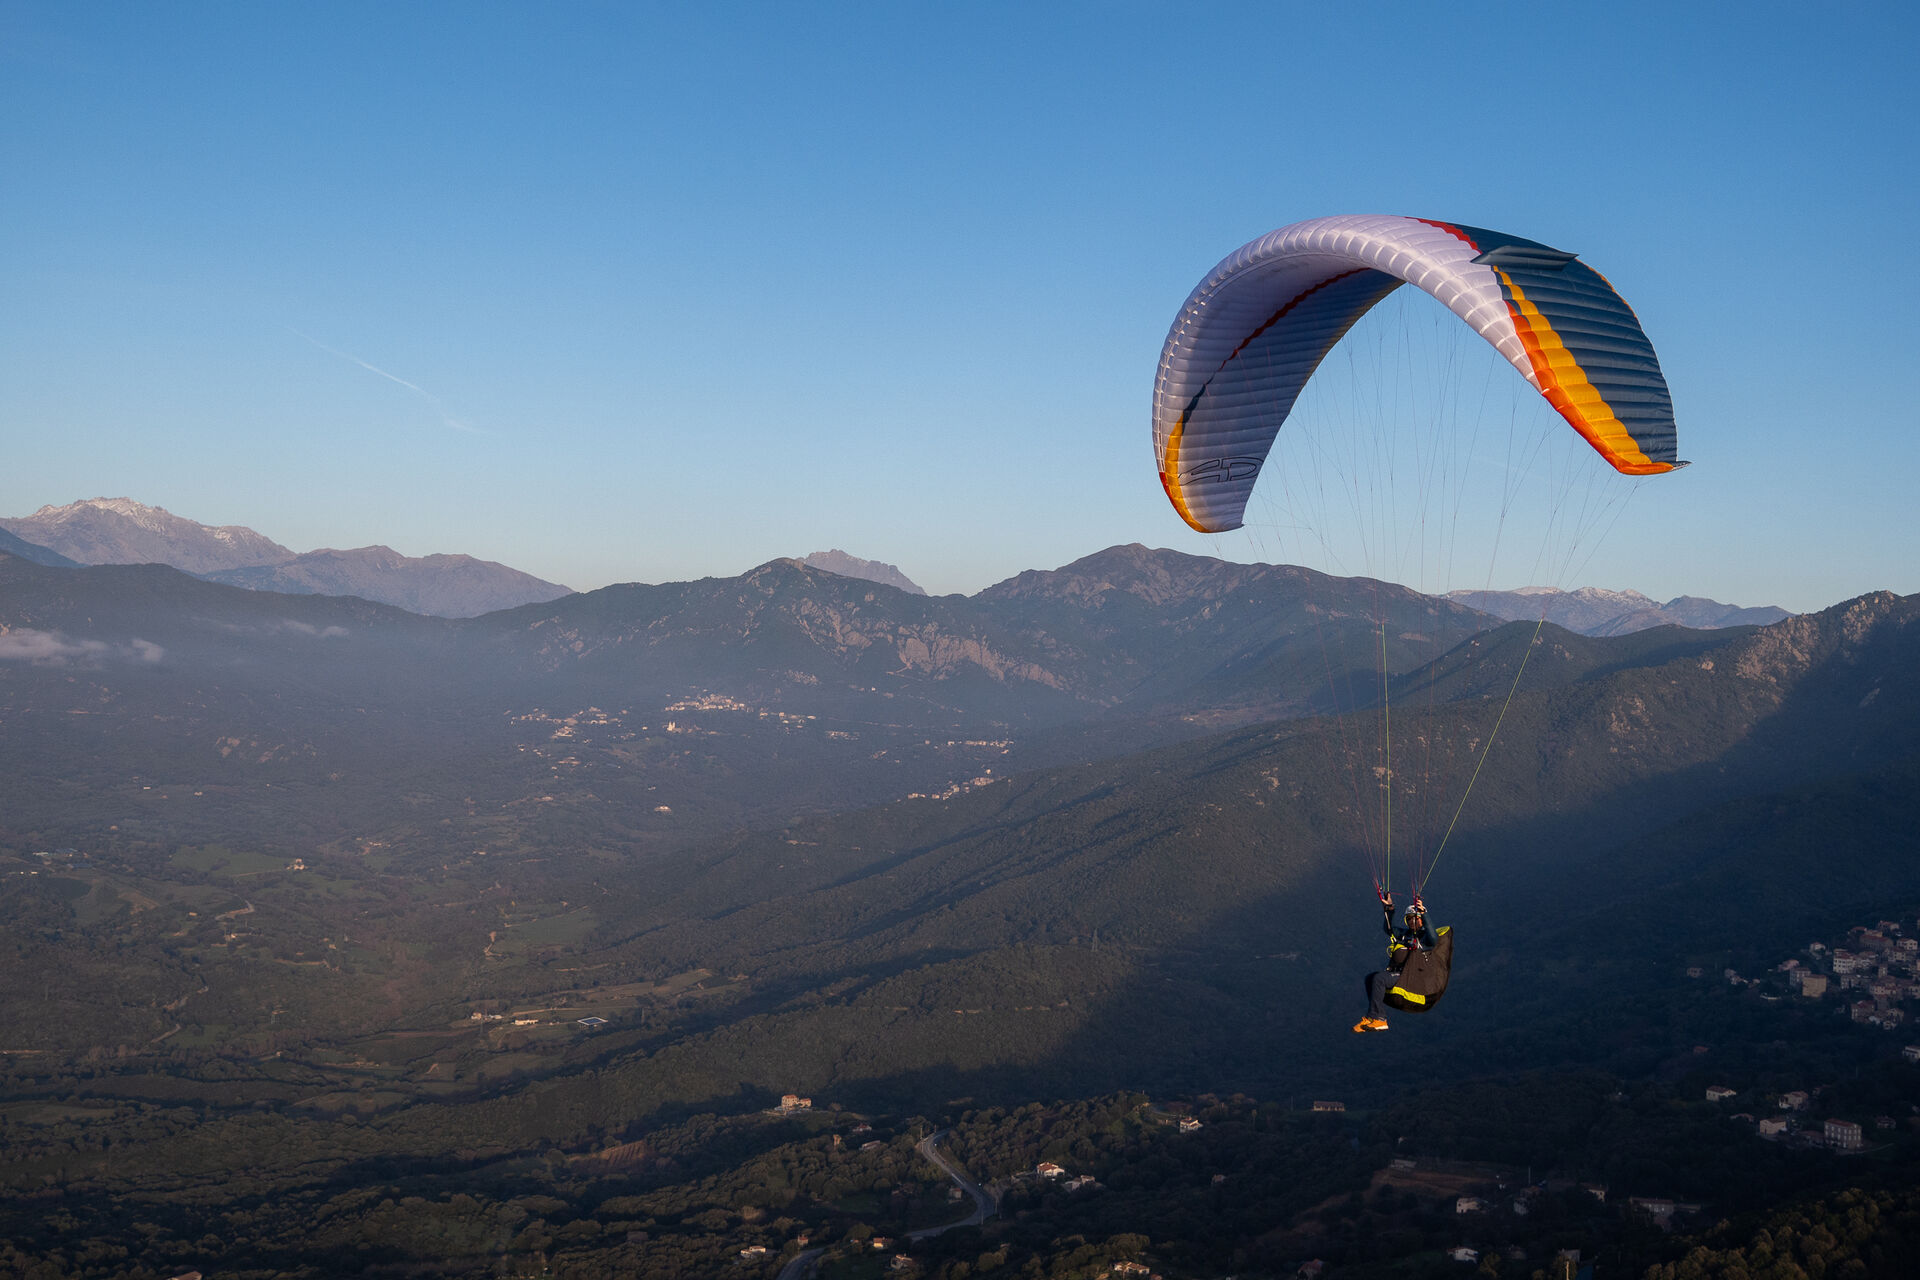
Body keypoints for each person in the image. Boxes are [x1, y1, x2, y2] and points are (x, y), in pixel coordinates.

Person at [1354, 892, 1436, 1033]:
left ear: (1421, 919)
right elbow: (1389, 929)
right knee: (1370, 978)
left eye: (1415, 918)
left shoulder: (1424, 938)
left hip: (1409, 976)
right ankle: (1372, 1017)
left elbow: (1433, 939)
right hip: (1396, 973)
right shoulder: (1404, 934)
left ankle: (1379, 1018)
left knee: (1379, 979)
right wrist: (1389, 909)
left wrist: (1424, 913)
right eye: (1409, 919)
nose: (1412, 921)